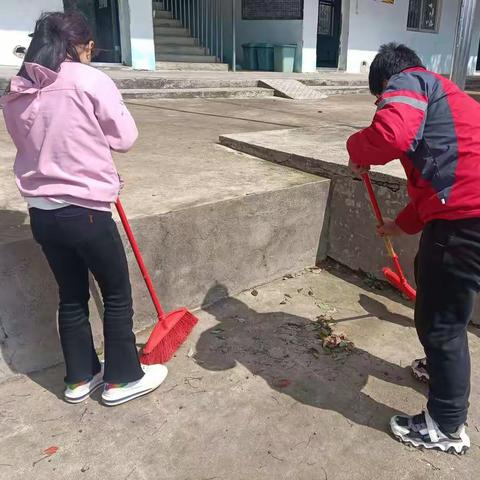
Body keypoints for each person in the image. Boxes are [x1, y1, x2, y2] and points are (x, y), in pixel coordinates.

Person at [1, 11, 168, 406]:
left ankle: (80, 377)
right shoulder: (90, 79)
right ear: (82, 45)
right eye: (90, 47)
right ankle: (123, 379)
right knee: (116, 294)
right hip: (87, 211)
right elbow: (124, 138)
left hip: (42, 213)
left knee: (71, 295)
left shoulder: (17, 89)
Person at [347, 43, 480, 454]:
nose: (382, 105)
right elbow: (438, 184)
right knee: (441, 301)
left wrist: (357, 148)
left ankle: (446, 424)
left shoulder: (409, 80)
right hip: (462, 216)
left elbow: (392, 134)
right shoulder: (450, 99)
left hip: (464, 222)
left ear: (386, 82)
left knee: (440, 324)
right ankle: (442, 375)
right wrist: (398, 225)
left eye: (379, 99)